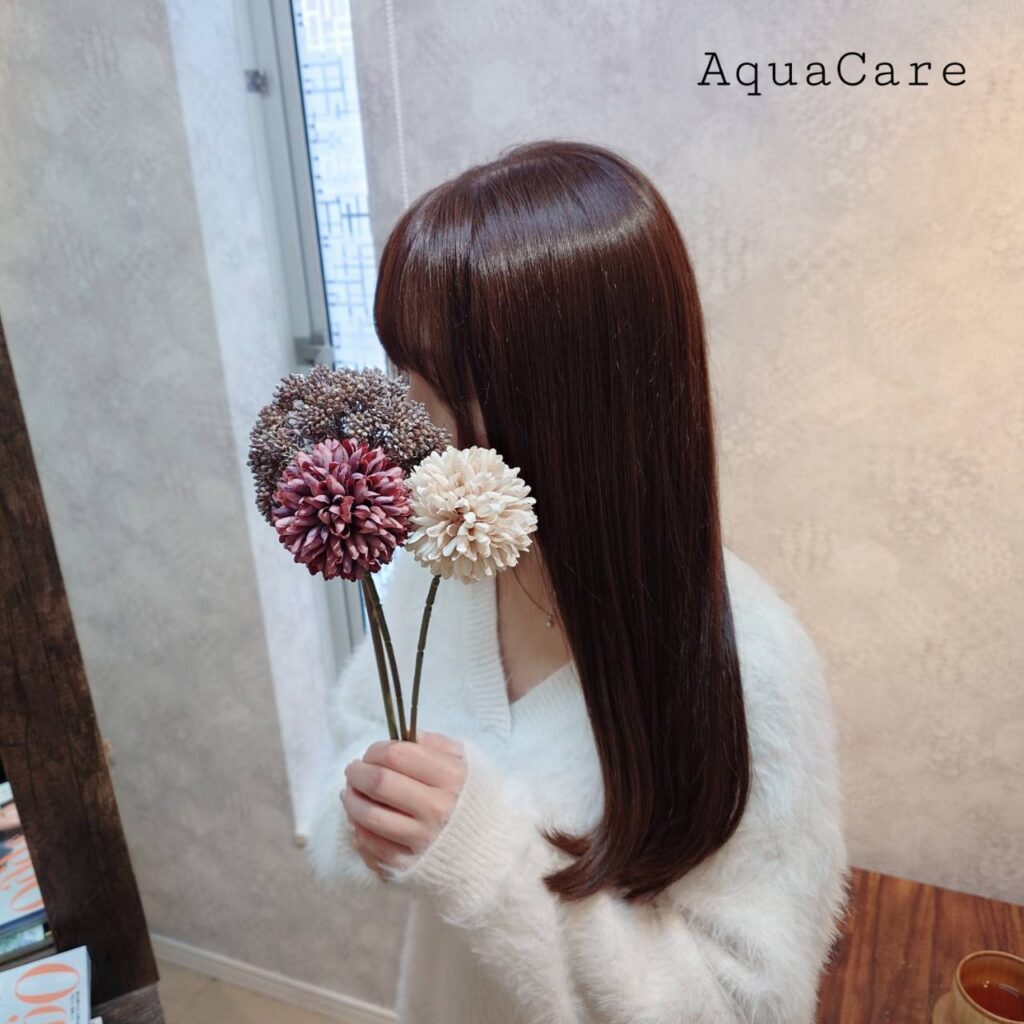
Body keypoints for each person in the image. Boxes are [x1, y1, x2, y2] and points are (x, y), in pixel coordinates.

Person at [305, 139, 853, 1023]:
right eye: (404, 373)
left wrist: (489, 859)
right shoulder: (448, 562)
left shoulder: (750, 666)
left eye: (440, 385)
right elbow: (359, 735)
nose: (408, 421)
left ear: (572, 404)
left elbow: (747, 1003)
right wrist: (372, 812)